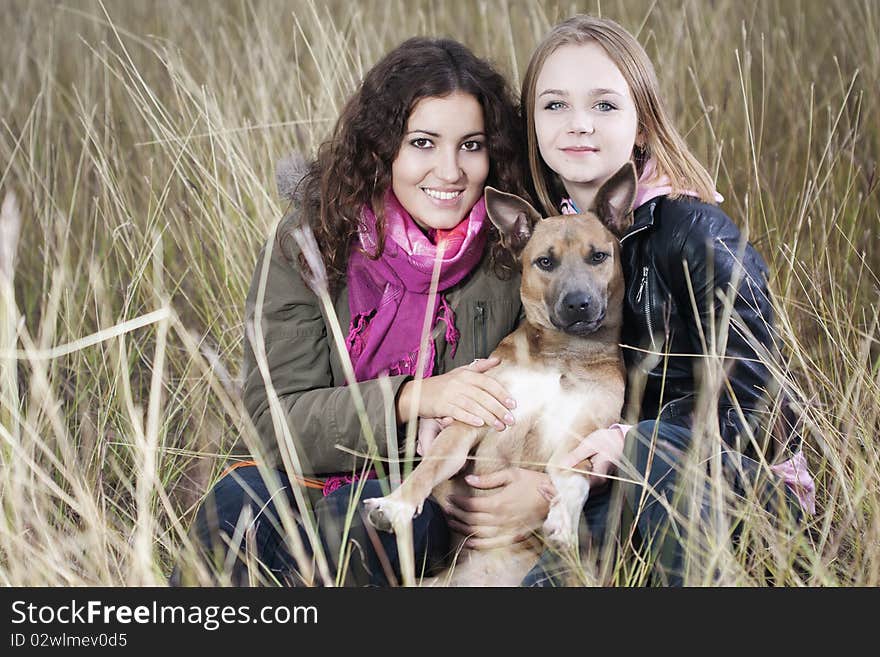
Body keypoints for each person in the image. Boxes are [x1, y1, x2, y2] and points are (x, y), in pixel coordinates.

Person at [172, 36, 538, 587]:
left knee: (367, 527)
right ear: (383, 147)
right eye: (422, 142)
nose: (450, 170)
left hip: (420, 490)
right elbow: (275, 420)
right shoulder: (311, 238)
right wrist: (414, 396)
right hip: (294, 474)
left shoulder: (518, 257)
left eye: (471, 145)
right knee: (233, 512)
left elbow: (556, 388)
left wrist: (540, 487)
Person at [495, 15, 815, 586]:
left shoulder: (694, 233)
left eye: (604, 105)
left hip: (743, 488)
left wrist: (623, 440)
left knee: (650, 450)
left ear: (642, 125)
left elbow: (755, 406)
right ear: (533, 128)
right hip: (618, 482)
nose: (578, 125)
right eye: (554, 105)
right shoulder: (552, 243)